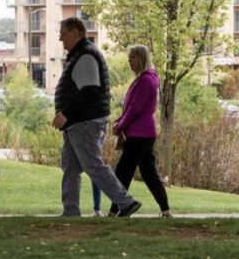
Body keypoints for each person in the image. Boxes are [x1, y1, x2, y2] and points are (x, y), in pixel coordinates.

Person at [52, 17, 141, 218]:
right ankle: (70, 212)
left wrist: (65, 114)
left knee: (93, 165)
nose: (60, 38)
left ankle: (126, 202)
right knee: (71, 168)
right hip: (78, 123)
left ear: (75, 33)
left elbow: (89, 91)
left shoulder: (85, 56)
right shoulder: (80, 55)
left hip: (85, 122)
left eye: (63, 34)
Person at [98, 45, 172, 217]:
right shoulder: (145, 79)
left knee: (123, 172)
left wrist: (120, 125)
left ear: (141, 59)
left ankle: (115, 210)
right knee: (148, 173)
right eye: (129, 58)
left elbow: (135, 109)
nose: (129, 61)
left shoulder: (146, 80)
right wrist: (120, 120)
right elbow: (131, 108)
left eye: (132, 58)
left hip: (139, 134)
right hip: (144, 133)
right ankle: (165, 210)